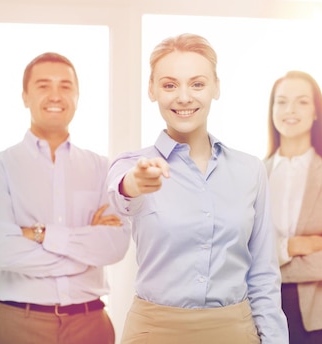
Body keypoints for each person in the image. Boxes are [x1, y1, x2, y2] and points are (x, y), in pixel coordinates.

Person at [106, 33, 289, 344]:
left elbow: (263, 274)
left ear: (216, 87)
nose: (184, 97)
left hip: (235, 332)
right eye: (169, 85)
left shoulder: (249, 170)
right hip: (154, 333)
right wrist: (134, 185)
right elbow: (119, 196)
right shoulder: (133, 165)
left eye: (197, 84)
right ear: (152, 90)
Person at [0, 52, 131, 344]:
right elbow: (2, 251)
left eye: (65, 86)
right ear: (25, 96)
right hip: (19, 325)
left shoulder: (102, 168)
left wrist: (40, 234)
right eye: (43, 85)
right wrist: (83, 252)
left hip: (91, 326)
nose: (55, 95)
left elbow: (114, 246)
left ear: (77, 95)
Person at [264, 71, 322, 343]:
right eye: (281, 102)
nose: (290, 110)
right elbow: (242, 252)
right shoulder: (253, 175)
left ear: (316, 112)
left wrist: (270, 265)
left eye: (302, 102)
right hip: (265, 314)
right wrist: (291, 247)